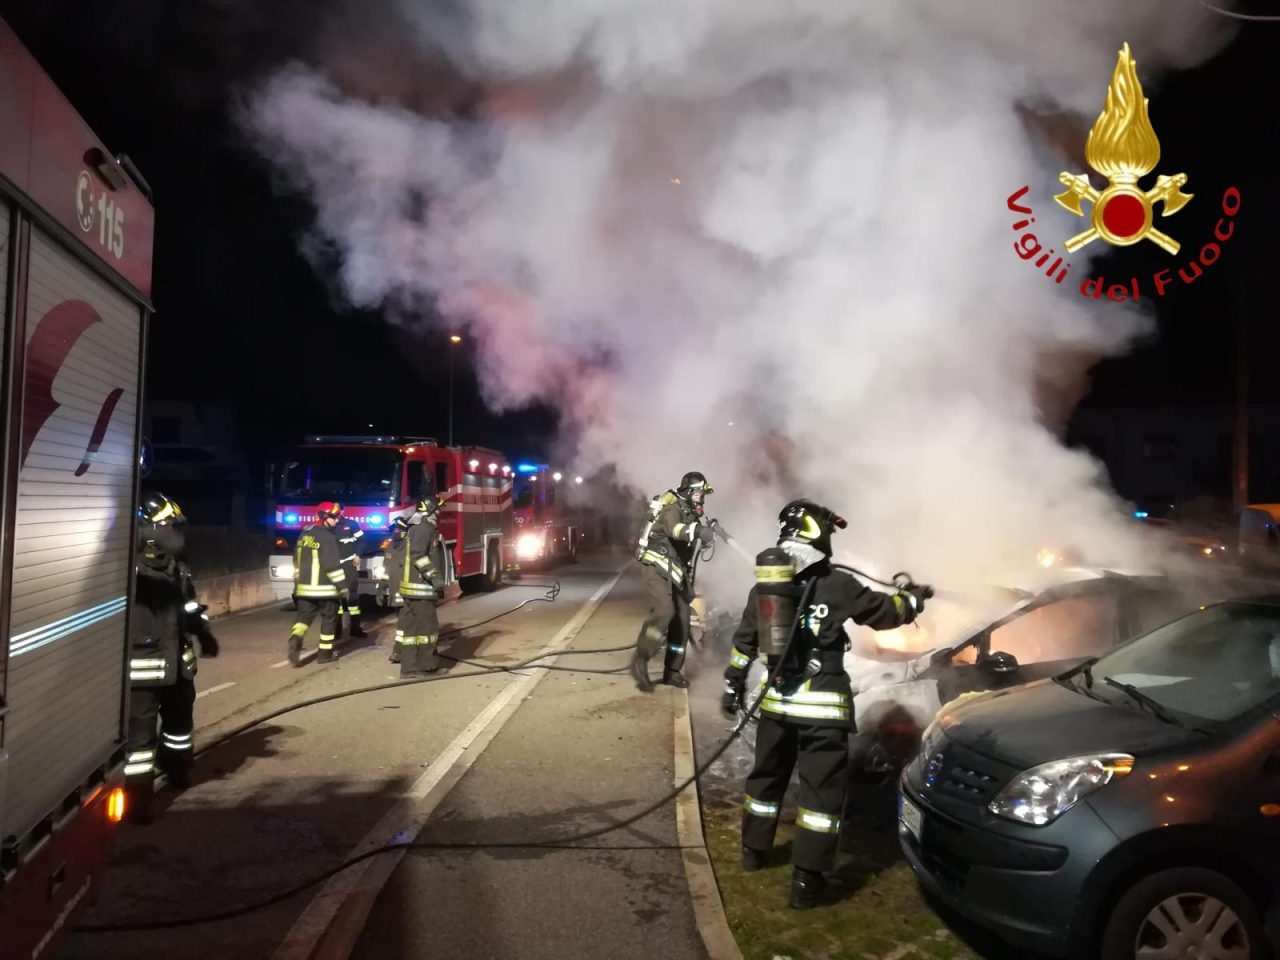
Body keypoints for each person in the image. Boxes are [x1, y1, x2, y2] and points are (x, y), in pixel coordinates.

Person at [721, 499, 932, 909]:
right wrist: (914, 599)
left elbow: (744, 643)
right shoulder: (837, 584)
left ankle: (753, 852)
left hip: (777, 704)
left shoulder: (765, 588)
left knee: (766, 779)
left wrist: (732, 685)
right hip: (822, 710)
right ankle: (806, 883)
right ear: (819, 534)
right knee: (821, 797)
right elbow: (885, 614)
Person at [124, 493, 217, 824]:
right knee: (140, 741)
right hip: (142, 669)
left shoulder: (177, 562)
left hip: (178, 665)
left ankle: (178, 770)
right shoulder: (126, 565)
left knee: (179, 727)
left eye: (176, 526)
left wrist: (203, 632)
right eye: (169, 525)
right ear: (147, 526)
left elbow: (189, 605)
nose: (175, 532)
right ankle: (137, 800)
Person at [630, 471, 716, 691]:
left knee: (683, 619)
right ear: (688, 492)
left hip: (674, 573)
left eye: (703, 495)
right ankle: (641, 659)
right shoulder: (673, 509)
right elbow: (675, 530)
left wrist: (704, 536)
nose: (701, 498)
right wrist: (697, 532)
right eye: (698, 493)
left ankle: (672, 672)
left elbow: (688, 541)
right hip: (656, 569)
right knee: (664, 612)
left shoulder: (691, 513)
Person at [288, 501, 349, 666]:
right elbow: (332, 566)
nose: (337, 521)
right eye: (335, 518)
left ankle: (296, 639)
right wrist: (342, 586)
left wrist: (297, 585)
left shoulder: (304, 534)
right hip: (325, 589)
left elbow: (296, 561)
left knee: (302, 619)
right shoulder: (327, 537)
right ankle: (324, 654)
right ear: (324, 517)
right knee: (329, 619)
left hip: (304, 589)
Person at [398, 496, 444, 677]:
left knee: (410, 632)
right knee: (428, 631)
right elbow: (419, 556)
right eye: (438, 510)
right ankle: (428, 666)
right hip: (422, 589)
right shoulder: (425, 529)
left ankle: (408, 668)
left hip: (410, 589)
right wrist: (435, 577)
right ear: (431, 511)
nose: (440, 513)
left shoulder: (414, 529)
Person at [334, 513, 367, 639]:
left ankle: (355, 628)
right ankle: (335, 630)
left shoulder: (351, 524)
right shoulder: (327, 526)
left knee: (353, 594)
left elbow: (362, 540)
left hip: (349, 563)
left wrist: (358, 554)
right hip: (334, 564)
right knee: (335, 597)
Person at [385, 515, 410, 663]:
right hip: (394, 590)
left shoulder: (409, 547)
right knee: (401, 620)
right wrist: (382, 587)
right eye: (393, 530)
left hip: (406, 590)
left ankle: (399, 650)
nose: (395, 532)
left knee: (403, 621)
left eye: (398, 529)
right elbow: (386, 568)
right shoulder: (390, 547)